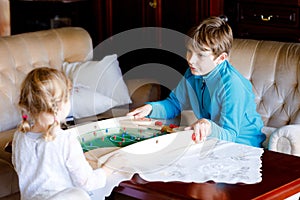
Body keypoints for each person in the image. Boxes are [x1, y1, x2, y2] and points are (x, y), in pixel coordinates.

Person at [127, 16, 266, 147]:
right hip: (211, 141)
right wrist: (150, 109)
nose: (190, 60)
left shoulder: (232, 85)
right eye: (189, 51)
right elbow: (174, 104)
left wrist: (208, 126)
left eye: (201, 55)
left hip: (243, 146)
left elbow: (230, 134)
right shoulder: (194, 73)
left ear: (221, 58)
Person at [12, 67, 110, 200]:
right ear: (61, 105)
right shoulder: (66, 140)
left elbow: (20, 167)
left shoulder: (19, 136)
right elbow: (86, 182)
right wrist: (106, 171)